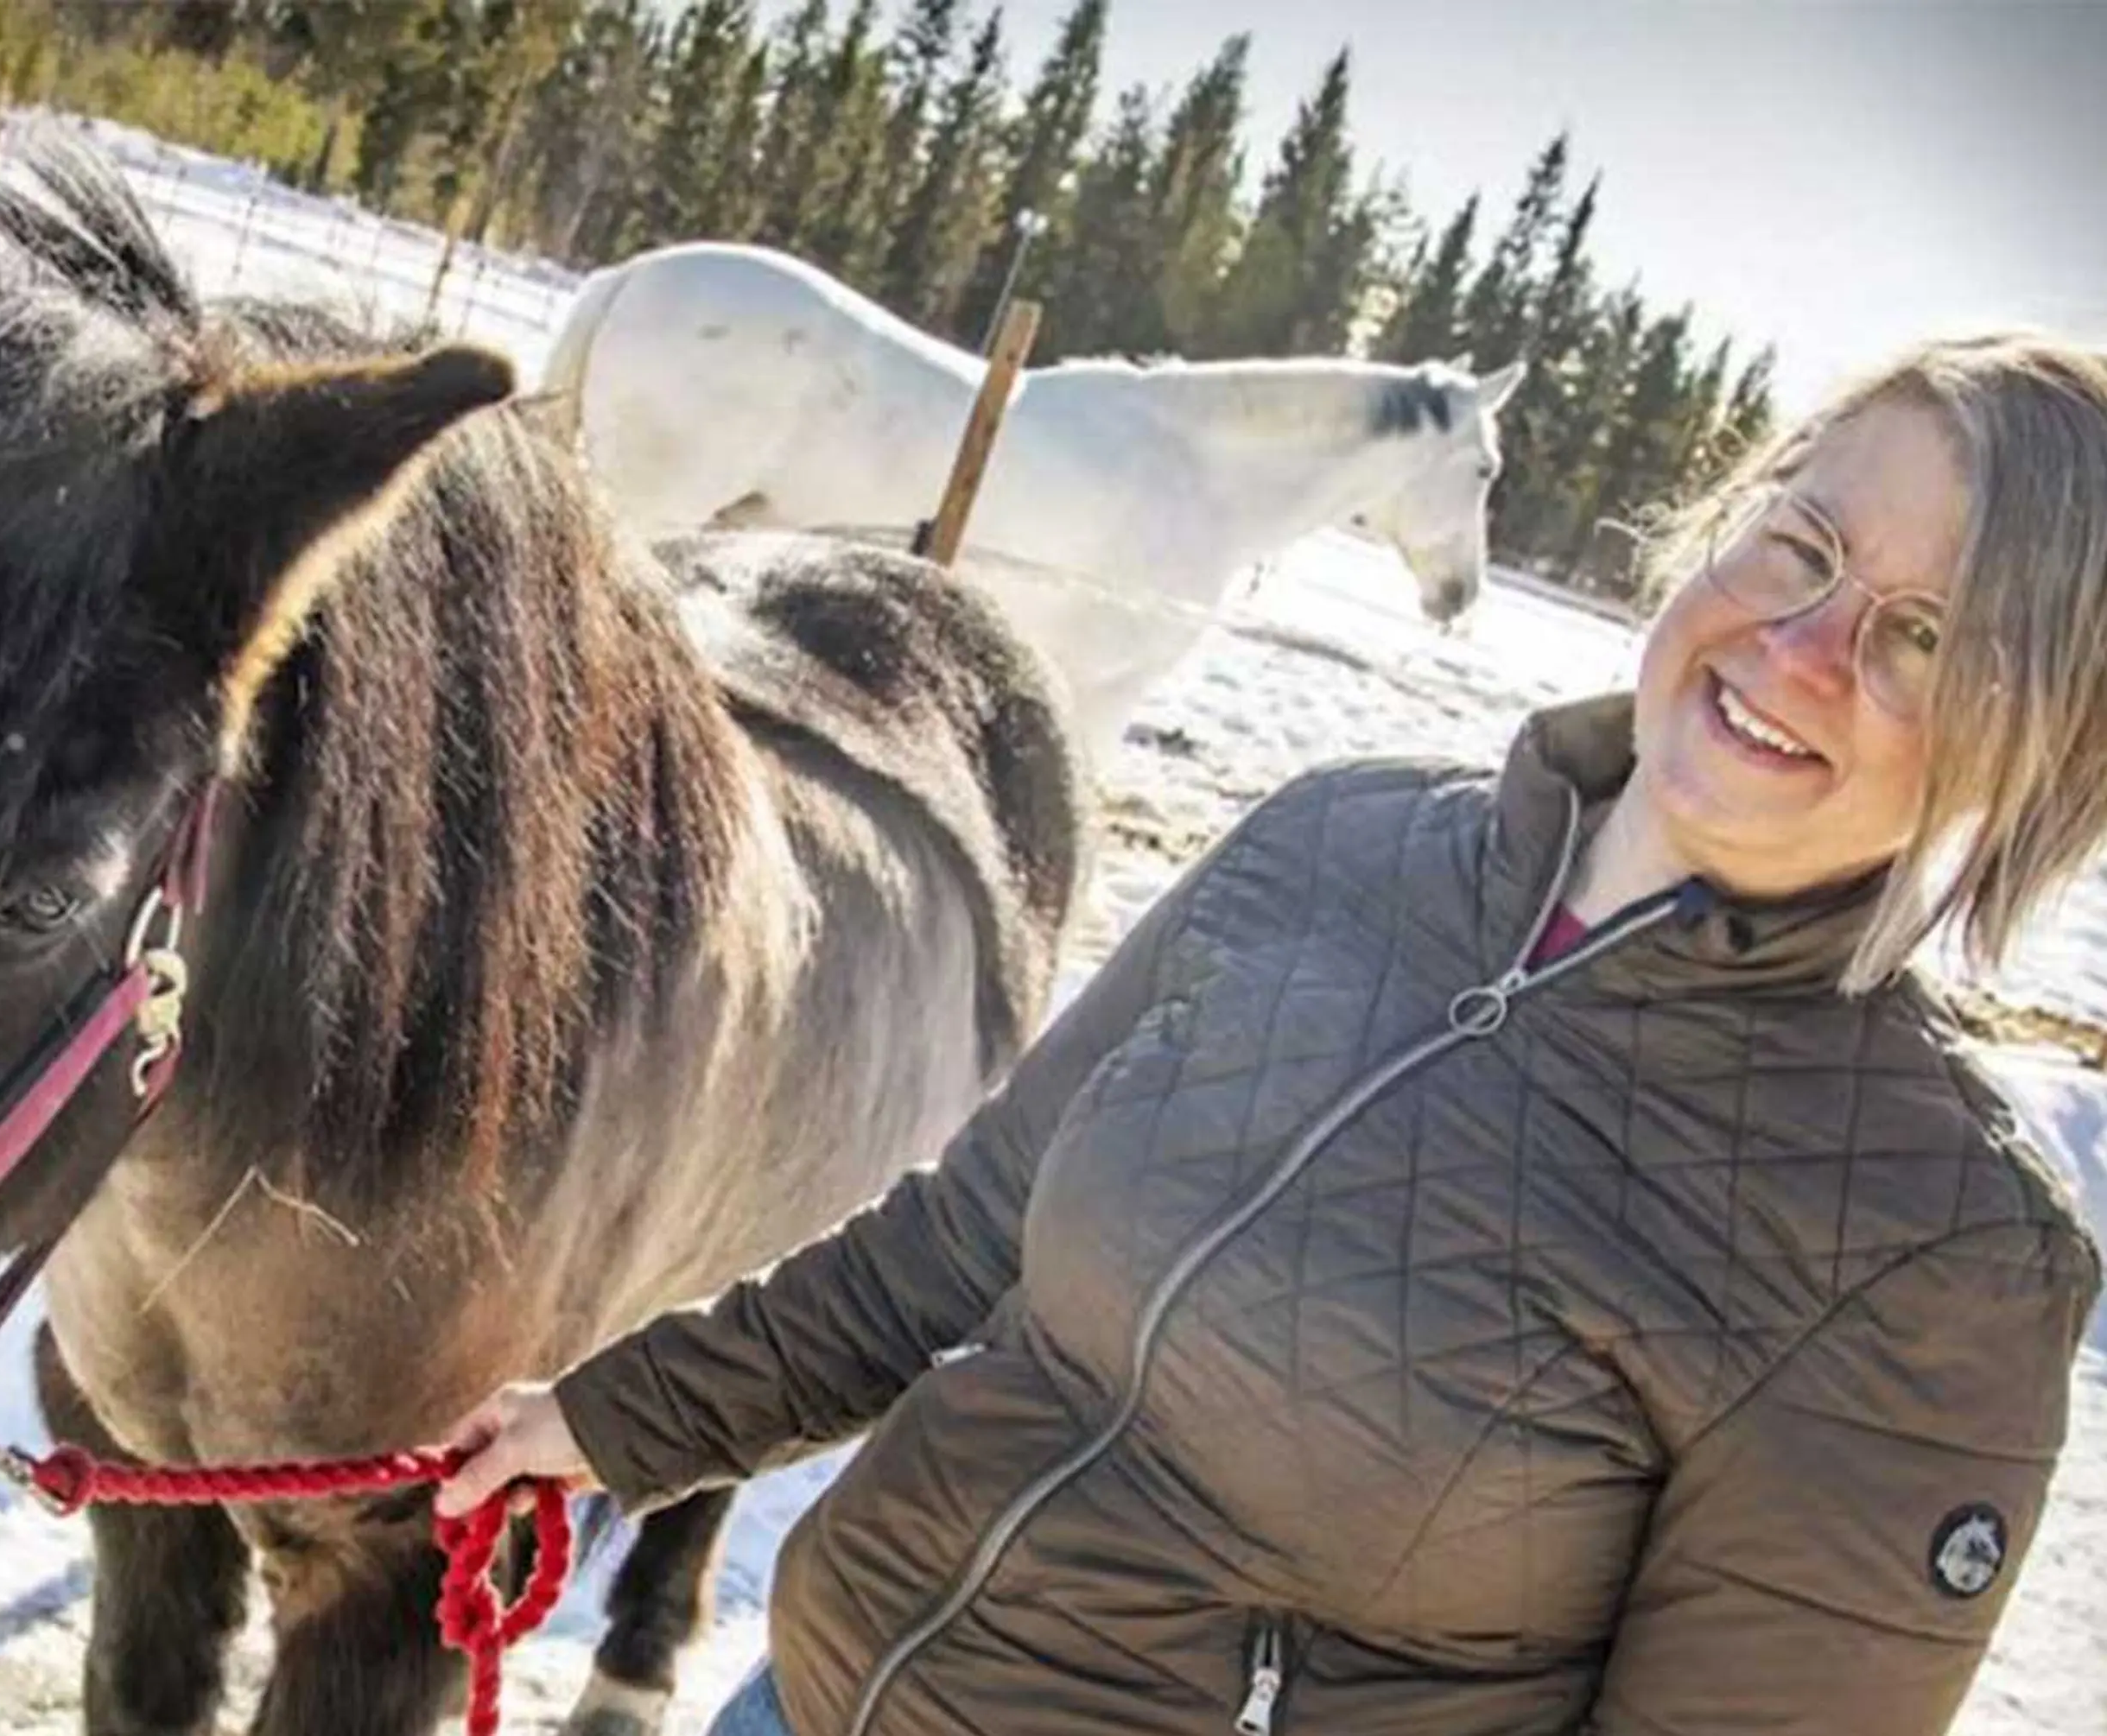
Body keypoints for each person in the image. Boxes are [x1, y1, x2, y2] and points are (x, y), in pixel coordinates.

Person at [437, 331, 2107, 1736]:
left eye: (1924, 638)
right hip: (811, 1689)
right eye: (1803, 548)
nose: (1801, 651)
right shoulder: (1338, 838)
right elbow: (961, 1235)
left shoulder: (1931, 1245)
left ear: (2031, 750)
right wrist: (605, 1418)